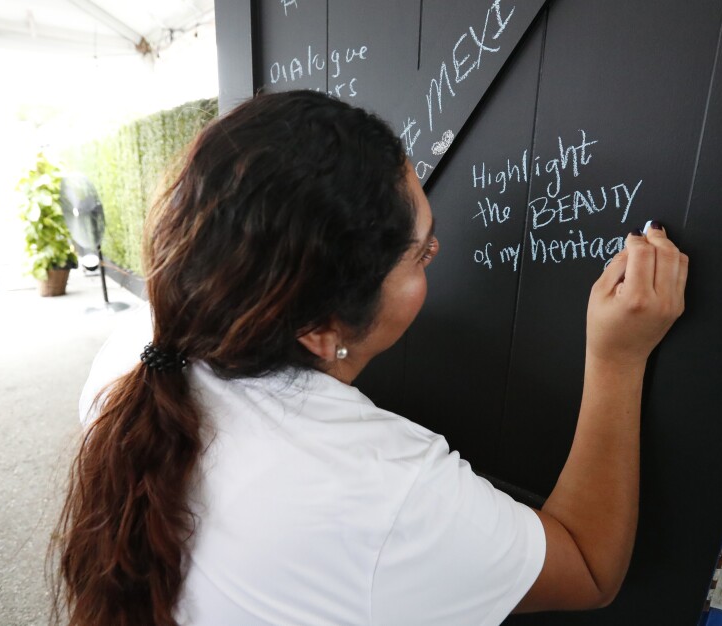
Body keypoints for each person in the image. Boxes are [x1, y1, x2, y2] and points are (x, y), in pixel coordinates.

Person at [51, 90, 688, 626]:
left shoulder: (136, 351)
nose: (436, 250)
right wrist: (617, 357)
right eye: (419, 253)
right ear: (323, 330)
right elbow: (589, 568)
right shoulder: (381, 491)